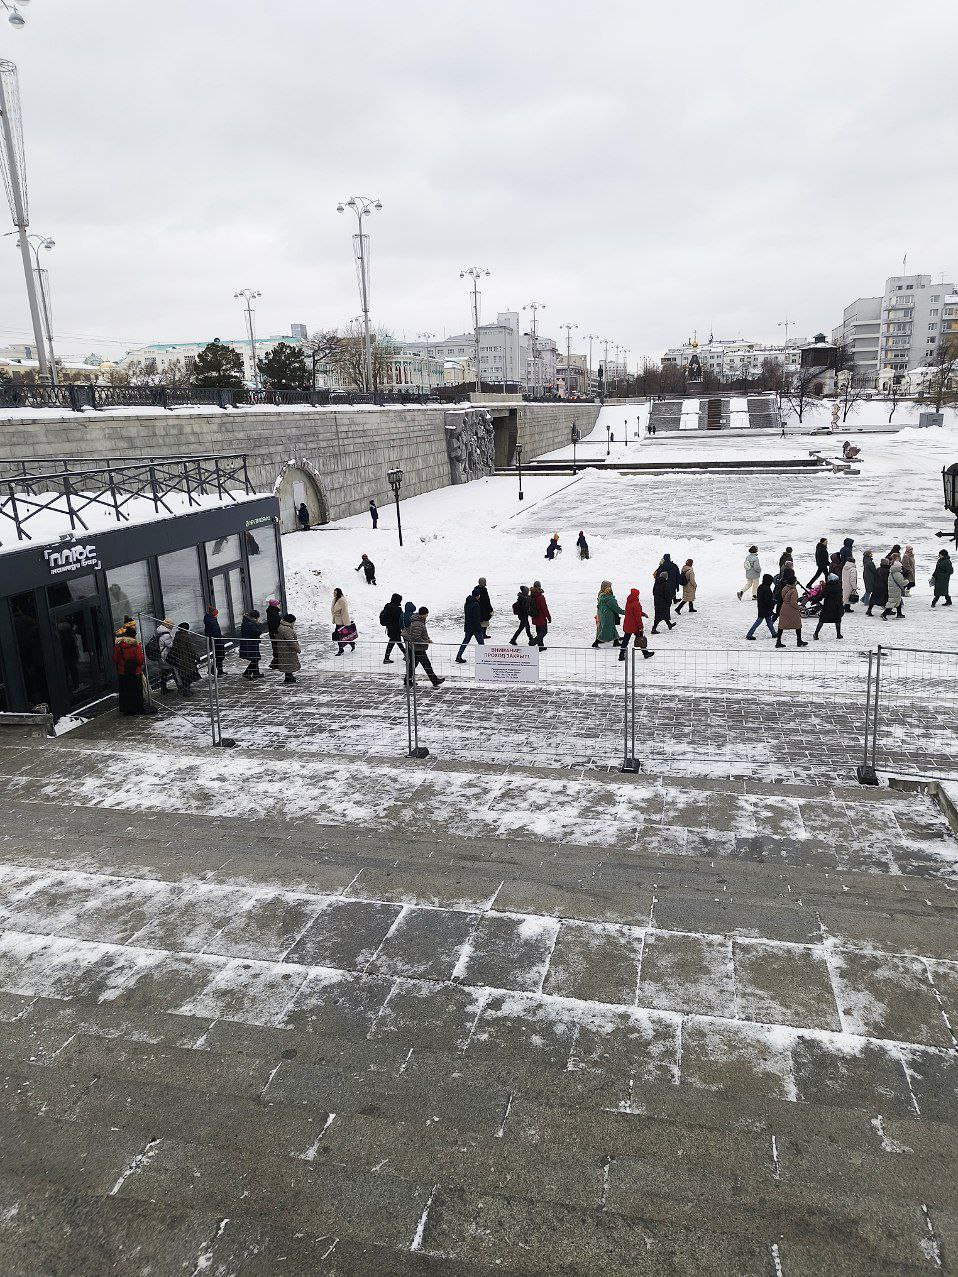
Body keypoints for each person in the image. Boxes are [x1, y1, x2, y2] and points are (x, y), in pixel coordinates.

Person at [113, 623, 155, 716]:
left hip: (123, 672)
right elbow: (140, 660)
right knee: (136, 691)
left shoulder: (118, 646)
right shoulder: (136, 646)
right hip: (135, 672)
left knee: (125, 691)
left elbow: (115, 659)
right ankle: (137, 708)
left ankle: (127, 709)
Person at [406, 607, 445, 687]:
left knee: (413, 665)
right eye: (426, 614)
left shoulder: (419, 621)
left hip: (416, 647)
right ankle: (434, 681)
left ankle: (407, 680)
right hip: (418, 648)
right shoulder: (418, 623)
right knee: (427, 665)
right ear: (423, 614)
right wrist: (425, 642)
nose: (427, 615)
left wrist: (428, 639)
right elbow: (415, 637)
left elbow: (420, 634)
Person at [775, 570, 807, 648]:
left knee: (781, 626)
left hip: (784, 608)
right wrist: (798, 608)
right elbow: (793, 602)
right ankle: (799, 641)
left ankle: (778, 641)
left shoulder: (785, 588)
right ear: (793, 582)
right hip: (791, 610)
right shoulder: (793, 591)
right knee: (797, 625)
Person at [619, 588, 654, 661]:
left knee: (626, 640)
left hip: (628, 624)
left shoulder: (629, 601)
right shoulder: (636, 603)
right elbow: (637, 617)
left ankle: (621, 655)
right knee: (640, 638)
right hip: (634, 625)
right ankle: (645, 653)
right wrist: (640, 627)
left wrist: (643, 614)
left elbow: (634, 612)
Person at [170, 622, 201, 694]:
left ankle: (186, 689)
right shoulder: (186, 637)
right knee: (188, 674)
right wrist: (196, 656)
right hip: (187, 659)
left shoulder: (177, 636)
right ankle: (186, 690)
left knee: (183, 675)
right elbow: (191, 648)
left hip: (179, 659)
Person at [456, 590, 485, 662]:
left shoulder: (467, 603)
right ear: (477, 596)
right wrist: (479, 627)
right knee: (481, 643)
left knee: (465, 642)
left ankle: (458, 656)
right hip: (475, 627)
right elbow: (476, 617)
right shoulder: (476, 604)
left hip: (468, 627)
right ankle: (483, 658)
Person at [592, 581, 624, 648]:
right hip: (609, 616)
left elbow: (599, 605)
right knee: (606, 629)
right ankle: (596, 642)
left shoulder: (601, 596)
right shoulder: (610, 599)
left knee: (612, 628)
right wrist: (626, 612)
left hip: (603, 614)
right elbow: (617, 609)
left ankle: (616, 641)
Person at [746, 574, 777, 640]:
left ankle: (774, 633)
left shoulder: (761, 587)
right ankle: (749, 634)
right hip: (765, 608)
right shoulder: (767, 589)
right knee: (759, 621)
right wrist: (773, 603)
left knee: (769, 621)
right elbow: (768, 600)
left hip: (761, 607)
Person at [814, 573, 845, 640]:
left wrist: (815, 600)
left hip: (828, 606)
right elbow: (841, 597)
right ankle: (838, 634)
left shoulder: (828, 587)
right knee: (837, 620)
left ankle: (816, 633)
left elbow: (822, 596)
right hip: (837, 606)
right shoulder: (839, 587)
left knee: (822, 620)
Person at [275, 613, 301, 684]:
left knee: (287, 663)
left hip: (283, 648)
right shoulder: (287, 629)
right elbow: (291, 641)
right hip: (288, 649)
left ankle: (289, 677)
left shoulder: (281, 626)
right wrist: (297, 649)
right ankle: (288, 678)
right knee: (289, 663)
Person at [380, 592, 406, 663]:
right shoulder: (397, 609)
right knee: (394, 642)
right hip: (396, 629)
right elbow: (401, 619)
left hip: (390, 628)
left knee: (396, 642)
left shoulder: (387, 606)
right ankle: (406, 654)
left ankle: (387, 658)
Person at [239, 609, 264, 679]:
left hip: (251, 642)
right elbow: (257, 632)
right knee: (255, 658)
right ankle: (247, 673)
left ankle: (256, 673)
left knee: (256, 658)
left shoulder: (248, 622)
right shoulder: (250, 624)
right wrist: (259, 625)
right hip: (250, 643)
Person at [203, 605, 227, 677]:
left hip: (216, 640)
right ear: (213, 614)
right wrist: (219, 638)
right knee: (220, 655)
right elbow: (214, 632)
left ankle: (219, 670)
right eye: (216, 613)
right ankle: (214, 670)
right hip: (216, 641)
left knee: (220, 655)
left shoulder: (210, 620)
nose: (217, 614)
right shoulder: (212, 621)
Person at [882, 555, 907, 621]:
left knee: (897, 601)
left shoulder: (892, 572)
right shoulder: (897, 573)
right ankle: (884, 614)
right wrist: (907, 581)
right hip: (895, 590)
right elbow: (901, 583)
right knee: (893, 602)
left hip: (893, 589)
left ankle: (899, 613)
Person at [331, 587, 356, 654]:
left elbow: (344, 612)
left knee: (340, 636)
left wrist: (346, 622)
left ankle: (341, 649)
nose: (333, 593)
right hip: (337, 620)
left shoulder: (342, 600)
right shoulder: (335, 599)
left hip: (342, 621)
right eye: (334, 592)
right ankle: (351, 643)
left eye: (335, 592)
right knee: (342, 635)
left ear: (338, 593)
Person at [155, 619, 176, 692]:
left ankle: (163, 688)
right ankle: (181, 687)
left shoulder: (160, 632)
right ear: (168, 625)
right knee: (174, 671)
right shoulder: (166, 635)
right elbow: (171, 645)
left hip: (162, 656)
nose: (173, 627)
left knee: (164, 673)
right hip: (166, 656)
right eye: (172, 625)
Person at [529, 581, 551, 650]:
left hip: (534, 617)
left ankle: (540, 646)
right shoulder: (541, 597)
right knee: (544, 632)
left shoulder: (531, 596)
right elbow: (544, 608)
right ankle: (532, 642)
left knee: (539, 631)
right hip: (541, 617)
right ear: (540, 587)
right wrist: (549, 617)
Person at [266, 599, 282, 669]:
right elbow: (274, 625)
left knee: (276, 647)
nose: (279, 605)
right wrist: (276, 633)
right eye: (278, 604)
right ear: (275, 605)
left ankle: (275, 663)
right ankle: (275, 663)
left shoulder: (272, 611)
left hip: (273, 633)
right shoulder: (274, 613)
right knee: (277, 647)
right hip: (275, 634)